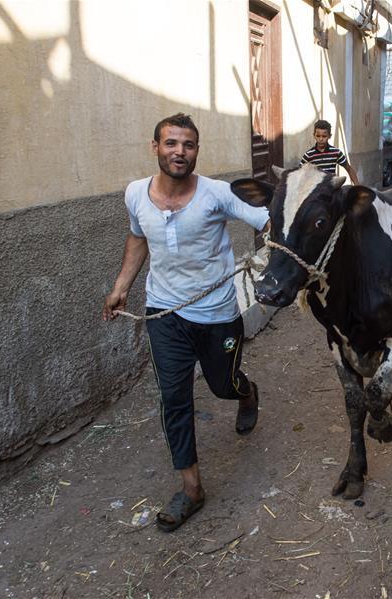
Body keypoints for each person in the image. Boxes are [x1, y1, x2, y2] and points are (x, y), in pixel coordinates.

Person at [102, 113, 269, 532]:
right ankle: (191, 489)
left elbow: (270, 221)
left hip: (216, 315)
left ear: (197, 151)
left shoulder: (218, 194)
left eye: (188, 145)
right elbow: (138, 237)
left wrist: (276, 252)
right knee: (173, 397)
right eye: (171, 143)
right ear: (155, 147)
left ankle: (246, 393)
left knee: (221, 385)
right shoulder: (135, 194)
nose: (180, 151)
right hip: (164, 314)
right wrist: (122, 285)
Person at [300, 119, 359, 184]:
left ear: (329, 136)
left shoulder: (336, 153)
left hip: (332, 188)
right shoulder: (309, 155)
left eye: (324, 136)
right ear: (314, 135)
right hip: (316, 190)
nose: (321, 139)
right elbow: (300, 172)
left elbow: (349, 169)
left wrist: (357, 184)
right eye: (318, 136)